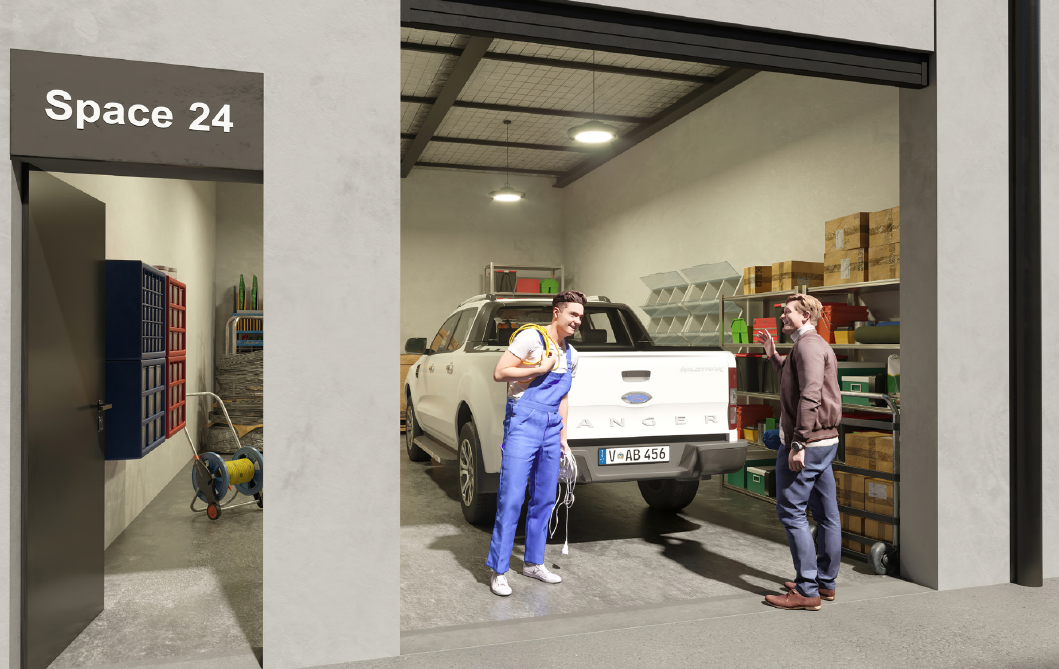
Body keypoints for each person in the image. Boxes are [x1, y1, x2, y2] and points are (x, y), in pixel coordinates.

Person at [486, 290, 585, 597]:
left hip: (551, 427)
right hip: (523, 423)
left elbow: (564, 396)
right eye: (572, 314)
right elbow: (500, 372)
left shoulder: (572, 354)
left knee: (544, 498)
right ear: (557, 312)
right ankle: (499, 570)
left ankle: (533, 563)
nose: (577, 321)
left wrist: (564, 437)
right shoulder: (531, 339)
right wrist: (538, 369)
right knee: (512, 497)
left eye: (581, 317)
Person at [754, 293, 842, 611]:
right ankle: (824, 583)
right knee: (826, 515)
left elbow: (810, 394)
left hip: (809, 444)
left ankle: (806, 590)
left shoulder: (807, 346)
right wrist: (774, 356)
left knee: (791, 512)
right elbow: (796, 382)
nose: (782, 316)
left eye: (788, 311)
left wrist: (797, 443)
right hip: (826, 443)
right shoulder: (810, 344)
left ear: (805, 315)